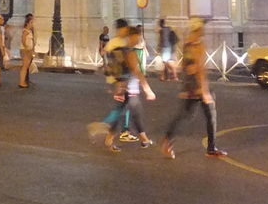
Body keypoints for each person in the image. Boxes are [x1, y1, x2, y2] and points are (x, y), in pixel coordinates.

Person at [162, 17, 226, 159]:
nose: (204, 29)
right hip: (197, 87)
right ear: (197, 29)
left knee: (185, 115)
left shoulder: (187, 44)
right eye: (202, 27)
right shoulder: (197, 45)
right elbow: (199, 68)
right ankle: (211, 148)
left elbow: (187, 66)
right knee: (210, 116)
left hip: (189, 86)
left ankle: (168, 139)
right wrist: (204, 91)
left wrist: (184, 83)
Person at [88, 19, 155, 152]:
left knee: (133, 111)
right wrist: (148, 90)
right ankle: (105, 129)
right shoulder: (126, 50)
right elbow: (136, 71)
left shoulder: (123, 46)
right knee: (121, 113)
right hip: (125, 86)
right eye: (137, 37)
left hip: (124, 84)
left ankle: (142, 138)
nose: (138, 40)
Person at [157, 17, 179, 82]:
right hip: (171, 48)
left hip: (165, 48)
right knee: (167, 62)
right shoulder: (169, 29)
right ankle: (167, 76)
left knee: (166, 63)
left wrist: (159, 48)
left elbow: (161, 41)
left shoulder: (162, 31)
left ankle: (171, 76)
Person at [18, 13, 36, 88]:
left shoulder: (30, 30)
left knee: (26, 66)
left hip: (28, 50)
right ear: (28, 23)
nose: (32, 24)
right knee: (25, 66)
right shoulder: (26, 31)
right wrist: (26, 47)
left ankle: (23, 81)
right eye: (31, 22)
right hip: (26, 50)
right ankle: (21, 82)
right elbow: (23, 39)